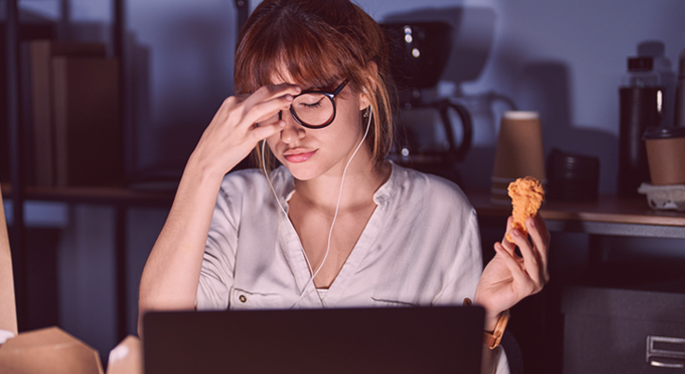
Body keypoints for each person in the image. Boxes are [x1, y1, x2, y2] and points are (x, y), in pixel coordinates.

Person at [139, 0, 550, 373]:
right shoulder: (235, 201)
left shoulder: (440, 211)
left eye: (312, 102)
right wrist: (203, 168)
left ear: (366, 89)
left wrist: (485, 314)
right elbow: (160, 338)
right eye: (272, 109)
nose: (289, 132)